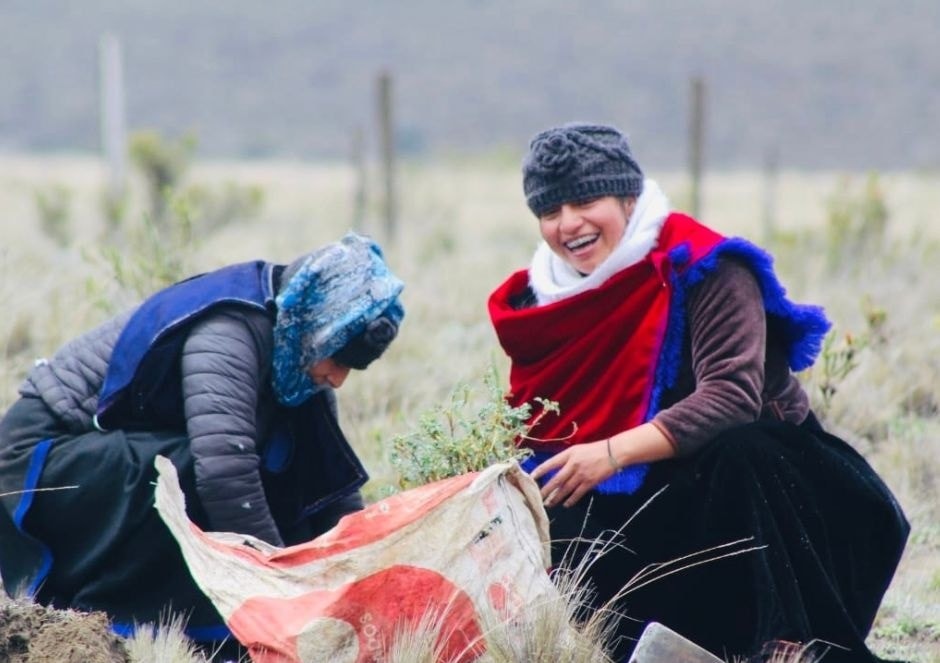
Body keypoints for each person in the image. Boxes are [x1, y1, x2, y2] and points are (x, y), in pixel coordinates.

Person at [487, 123, 909, 662]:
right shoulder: (544, 302)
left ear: (628, 198)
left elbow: (732, 396)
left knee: (743, 448)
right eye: (550, 211)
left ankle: (791, 642)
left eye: (586, 201)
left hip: (779, 505)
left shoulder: (705, 269)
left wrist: (609, 454)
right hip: (661, 504)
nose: (568, 224)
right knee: (561, 501)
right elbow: (538, 431)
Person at [0, 231, 404, 656]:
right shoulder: (229, 330)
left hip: (108, 458)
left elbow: (327, 482)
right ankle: (117, 616)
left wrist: (362, 571)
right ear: (317, 327)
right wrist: (281, 589)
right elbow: (224, 474)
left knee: (282, 464)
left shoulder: (297, 352)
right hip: (37, 464)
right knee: (187, 470)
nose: (338, 379)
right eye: (337, 359)